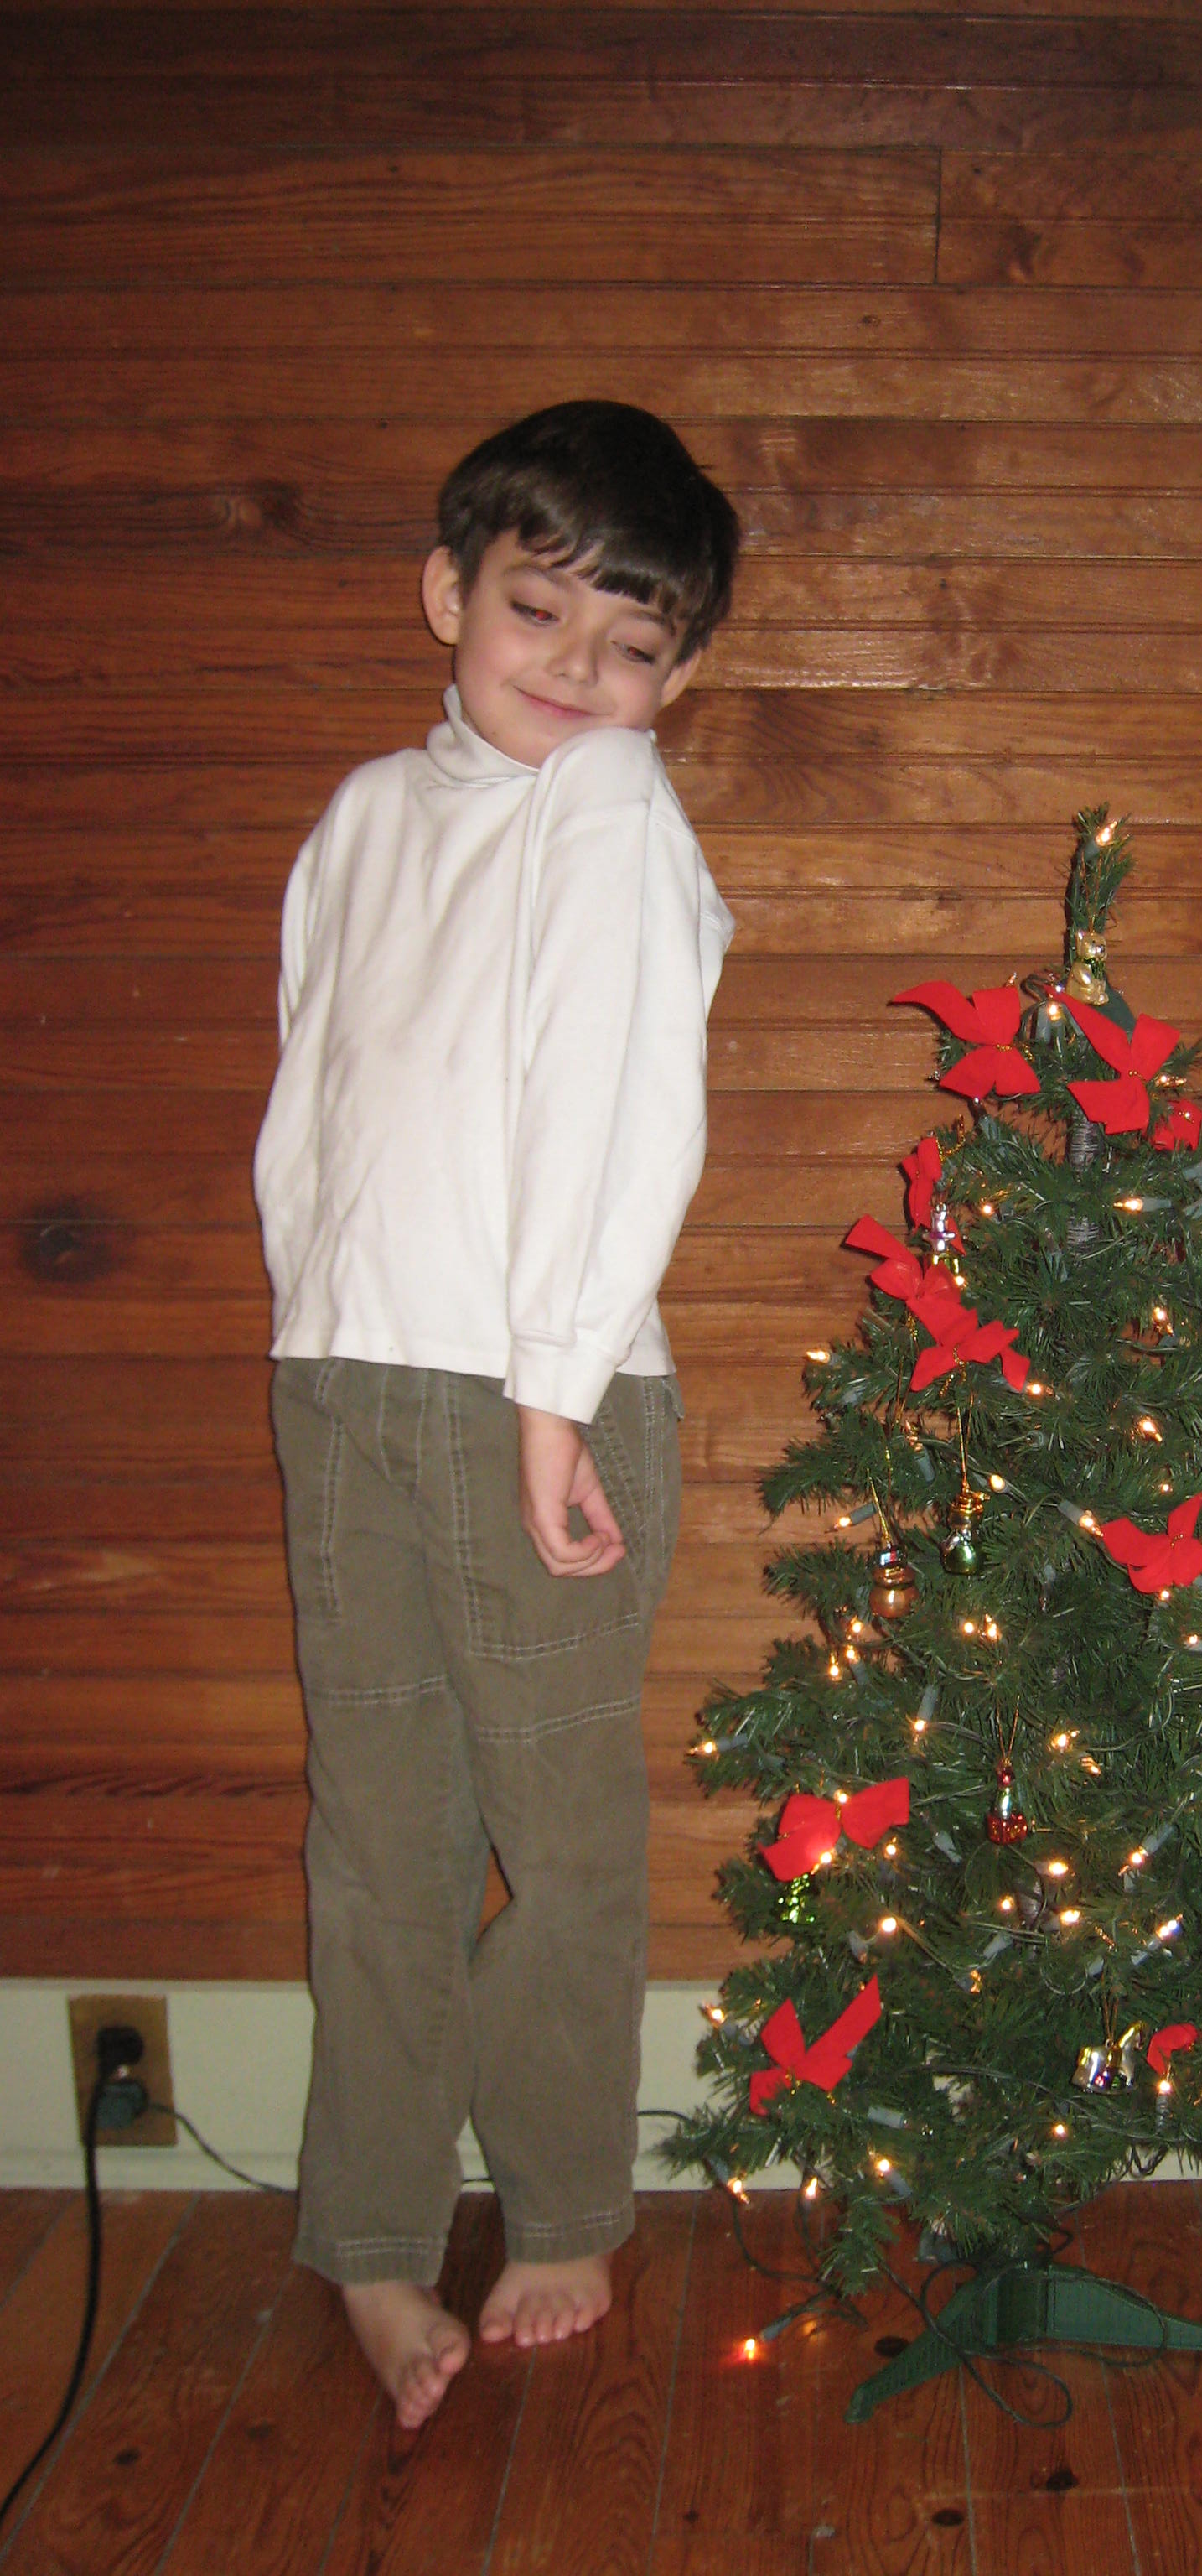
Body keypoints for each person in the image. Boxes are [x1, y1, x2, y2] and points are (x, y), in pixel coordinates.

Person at [254, 400, 740, 2426]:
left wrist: (552, 1398)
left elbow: (622, 1113)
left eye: (631, 644)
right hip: (351, 1382)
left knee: (557, 1832)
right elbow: (317, 1093)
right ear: (448, 592)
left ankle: (561, 2202)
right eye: (538, 611)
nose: (577, 669)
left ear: (673, 679)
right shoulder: (372, 813)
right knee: (377, 1834)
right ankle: (373, 2233)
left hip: (542, 1397)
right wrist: (311, 1333)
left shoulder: (608, 805)